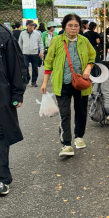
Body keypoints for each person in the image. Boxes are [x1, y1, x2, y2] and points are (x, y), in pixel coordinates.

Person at [41, 13, 96, 158]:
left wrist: (88, 68)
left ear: (80, 27)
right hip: (62, 83)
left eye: (76, 25)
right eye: (70, 25)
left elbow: (92, 56)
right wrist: (45, 82)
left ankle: (79, 136)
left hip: (80, 83)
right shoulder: (57, 41)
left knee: (81, 111)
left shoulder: (84, 41)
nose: (73, 28)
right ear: (64, 26)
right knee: (65, 114)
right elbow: (48, 62)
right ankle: (66, 144)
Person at [0, 22, 27, 195]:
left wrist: (17, 94)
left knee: (1, 135)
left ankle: (2, 178)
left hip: (1, 96)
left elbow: (16, 66)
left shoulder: (4, 35)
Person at [18, 20, 44, 86]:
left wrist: (41, 52)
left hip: (34, 53)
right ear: (26, 25)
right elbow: (20, 43)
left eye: (33, 25)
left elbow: (40, 43)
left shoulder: (37, 33)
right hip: (25, 53)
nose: (32, 27)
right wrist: (19, 52)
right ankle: (27, 78)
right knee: (25, 66)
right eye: (30, 25)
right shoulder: (22, 33)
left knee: (35, 68)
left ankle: (34, 81)